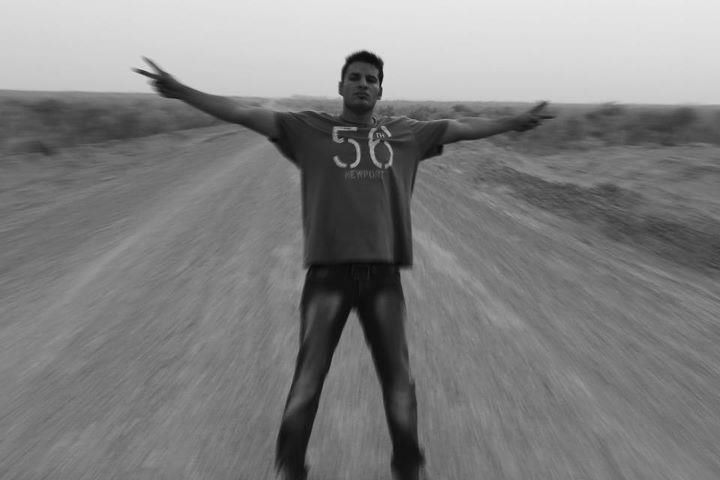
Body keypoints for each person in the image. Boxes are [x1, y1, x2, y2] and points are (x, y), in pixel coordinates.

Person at [134, 50, 553, 480]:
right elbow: (242, 112)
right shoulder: (308, 130)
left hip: (383, 277)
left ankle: (409, 466)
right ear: (340, 86)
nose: (363, 84)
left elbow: (462, 127)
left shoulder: (406, 134)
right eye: (355, 77)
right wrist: (181, 91)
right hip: (328, 277)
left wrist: (515, 122)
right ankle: (290, 466)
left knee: (398, 380)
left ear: (380, 90)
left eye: (371, 79)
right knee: (309, 376)